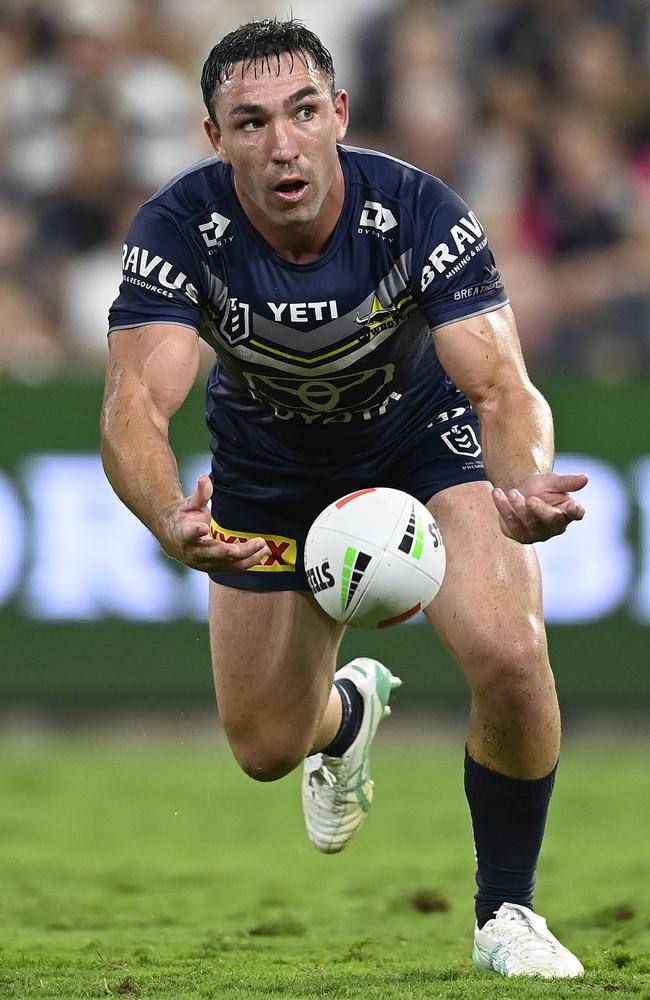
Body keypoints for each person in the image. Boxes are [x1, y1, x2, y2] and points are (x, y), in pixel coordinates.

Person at [101, 18, 588, 978]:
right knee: (266, 748)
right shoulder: (175, 230)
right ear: (214, 137)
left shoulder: (420, 210)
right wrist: (169, 516)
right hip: (268, 467)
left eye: (303, 112)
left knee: (512, 656)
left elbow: (500, 386)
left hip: (421, 440)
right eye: (250, 123)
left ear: (340, 114)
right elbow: (132, 406)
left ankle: (507, 916)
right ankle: (345, 719)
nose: (282, 143)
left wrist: (523, 475)